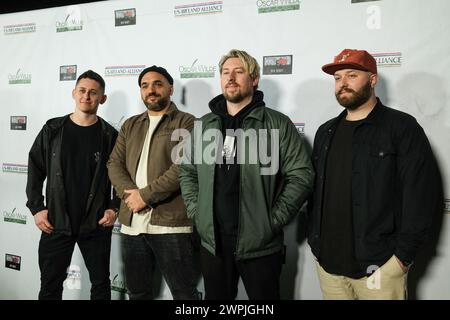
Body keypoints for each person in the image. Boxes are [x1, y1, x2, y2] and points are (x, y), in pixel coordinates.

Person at [179, 49, 314, 300]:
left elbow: (302, 175)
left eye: (239, 72)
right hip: (213, 244)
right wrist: (197, 213)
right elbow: (187, 172)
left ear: (254, 79)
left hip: (260, 246)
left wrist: (271, 221)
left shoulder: (277, 124)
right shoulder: (203, 125)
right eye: (225, 73)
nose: (231, 78)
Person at [307, 49, 441, 300]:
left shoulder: (402, 127)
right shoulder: (325, 133)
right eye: (337, 78)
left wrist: (401, 259)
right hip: (329, 268)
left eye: (352, 75)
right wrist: (316, 246)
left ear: (372, 79)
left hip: (380, 269)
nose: (342, 83)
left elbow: (420, 195)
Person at [107, 65, 200, 300]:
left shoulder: (187, 122)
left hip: (172, 224)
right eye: (145, 86)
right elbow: (114, 164)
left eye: (158, 84)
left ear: (170, 88)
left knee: (184, 294)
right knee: (137, 293)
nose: (151, 90)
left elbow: (183, 168)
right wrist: (132, 197)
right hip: (132, 224)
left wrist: (145, 196)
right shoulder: (130, 124)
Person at [26, 70, 119, 300]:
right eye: (82, 91)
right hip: (56, 222)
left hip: (96, 223)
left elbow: (121, 175)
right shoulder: (53, 129)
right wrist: (37, 208)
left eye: (93, 93)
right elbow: (35, 169)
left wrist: (114, 207)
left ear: (102, 99)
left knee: (100, 285)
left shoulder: (110, 135)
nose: (86, 96)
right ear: (73, 93)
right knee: (50, 286)